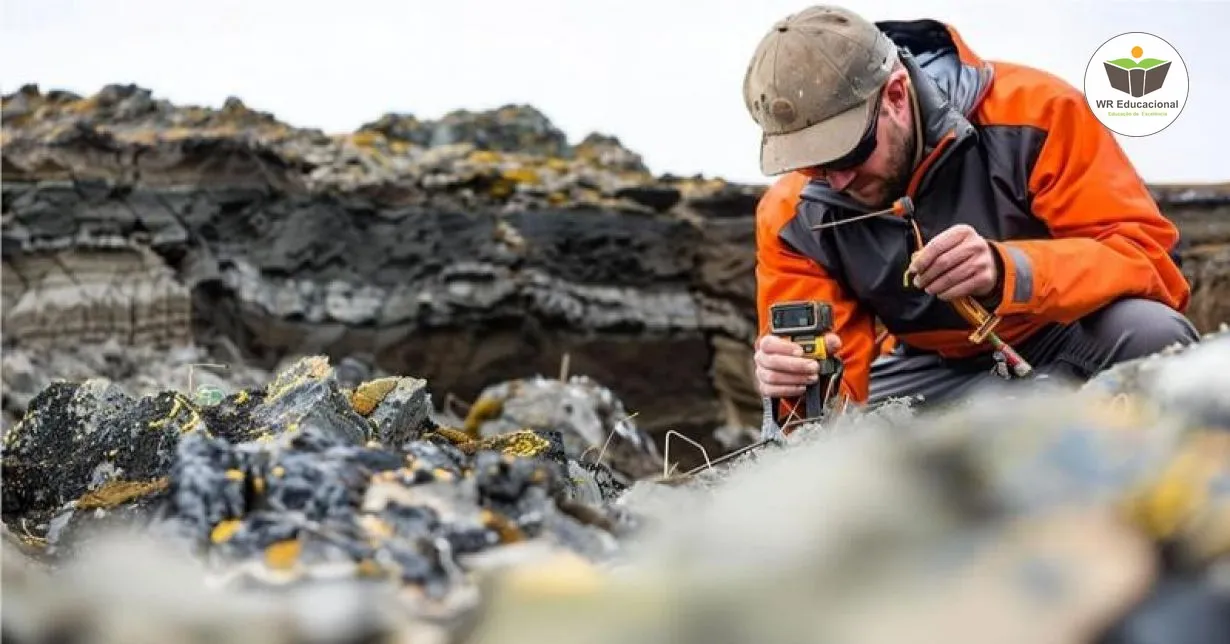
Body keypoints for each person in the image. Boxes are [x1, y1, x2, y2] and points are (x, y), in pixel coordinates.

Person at [743, 5, 1200, 420]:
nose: (836, 180)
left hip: (1067, 338)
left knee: (1154, 336)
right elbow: (829, 409)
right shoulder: (791, 217)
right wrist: (797, 389)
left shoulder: (1037, 112)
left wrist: (1010, 272)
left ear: (897, 95)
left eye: (847, 153)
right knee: (841, 455)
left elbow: (1146, 259)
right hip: (929, 373)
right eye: (812, 164)